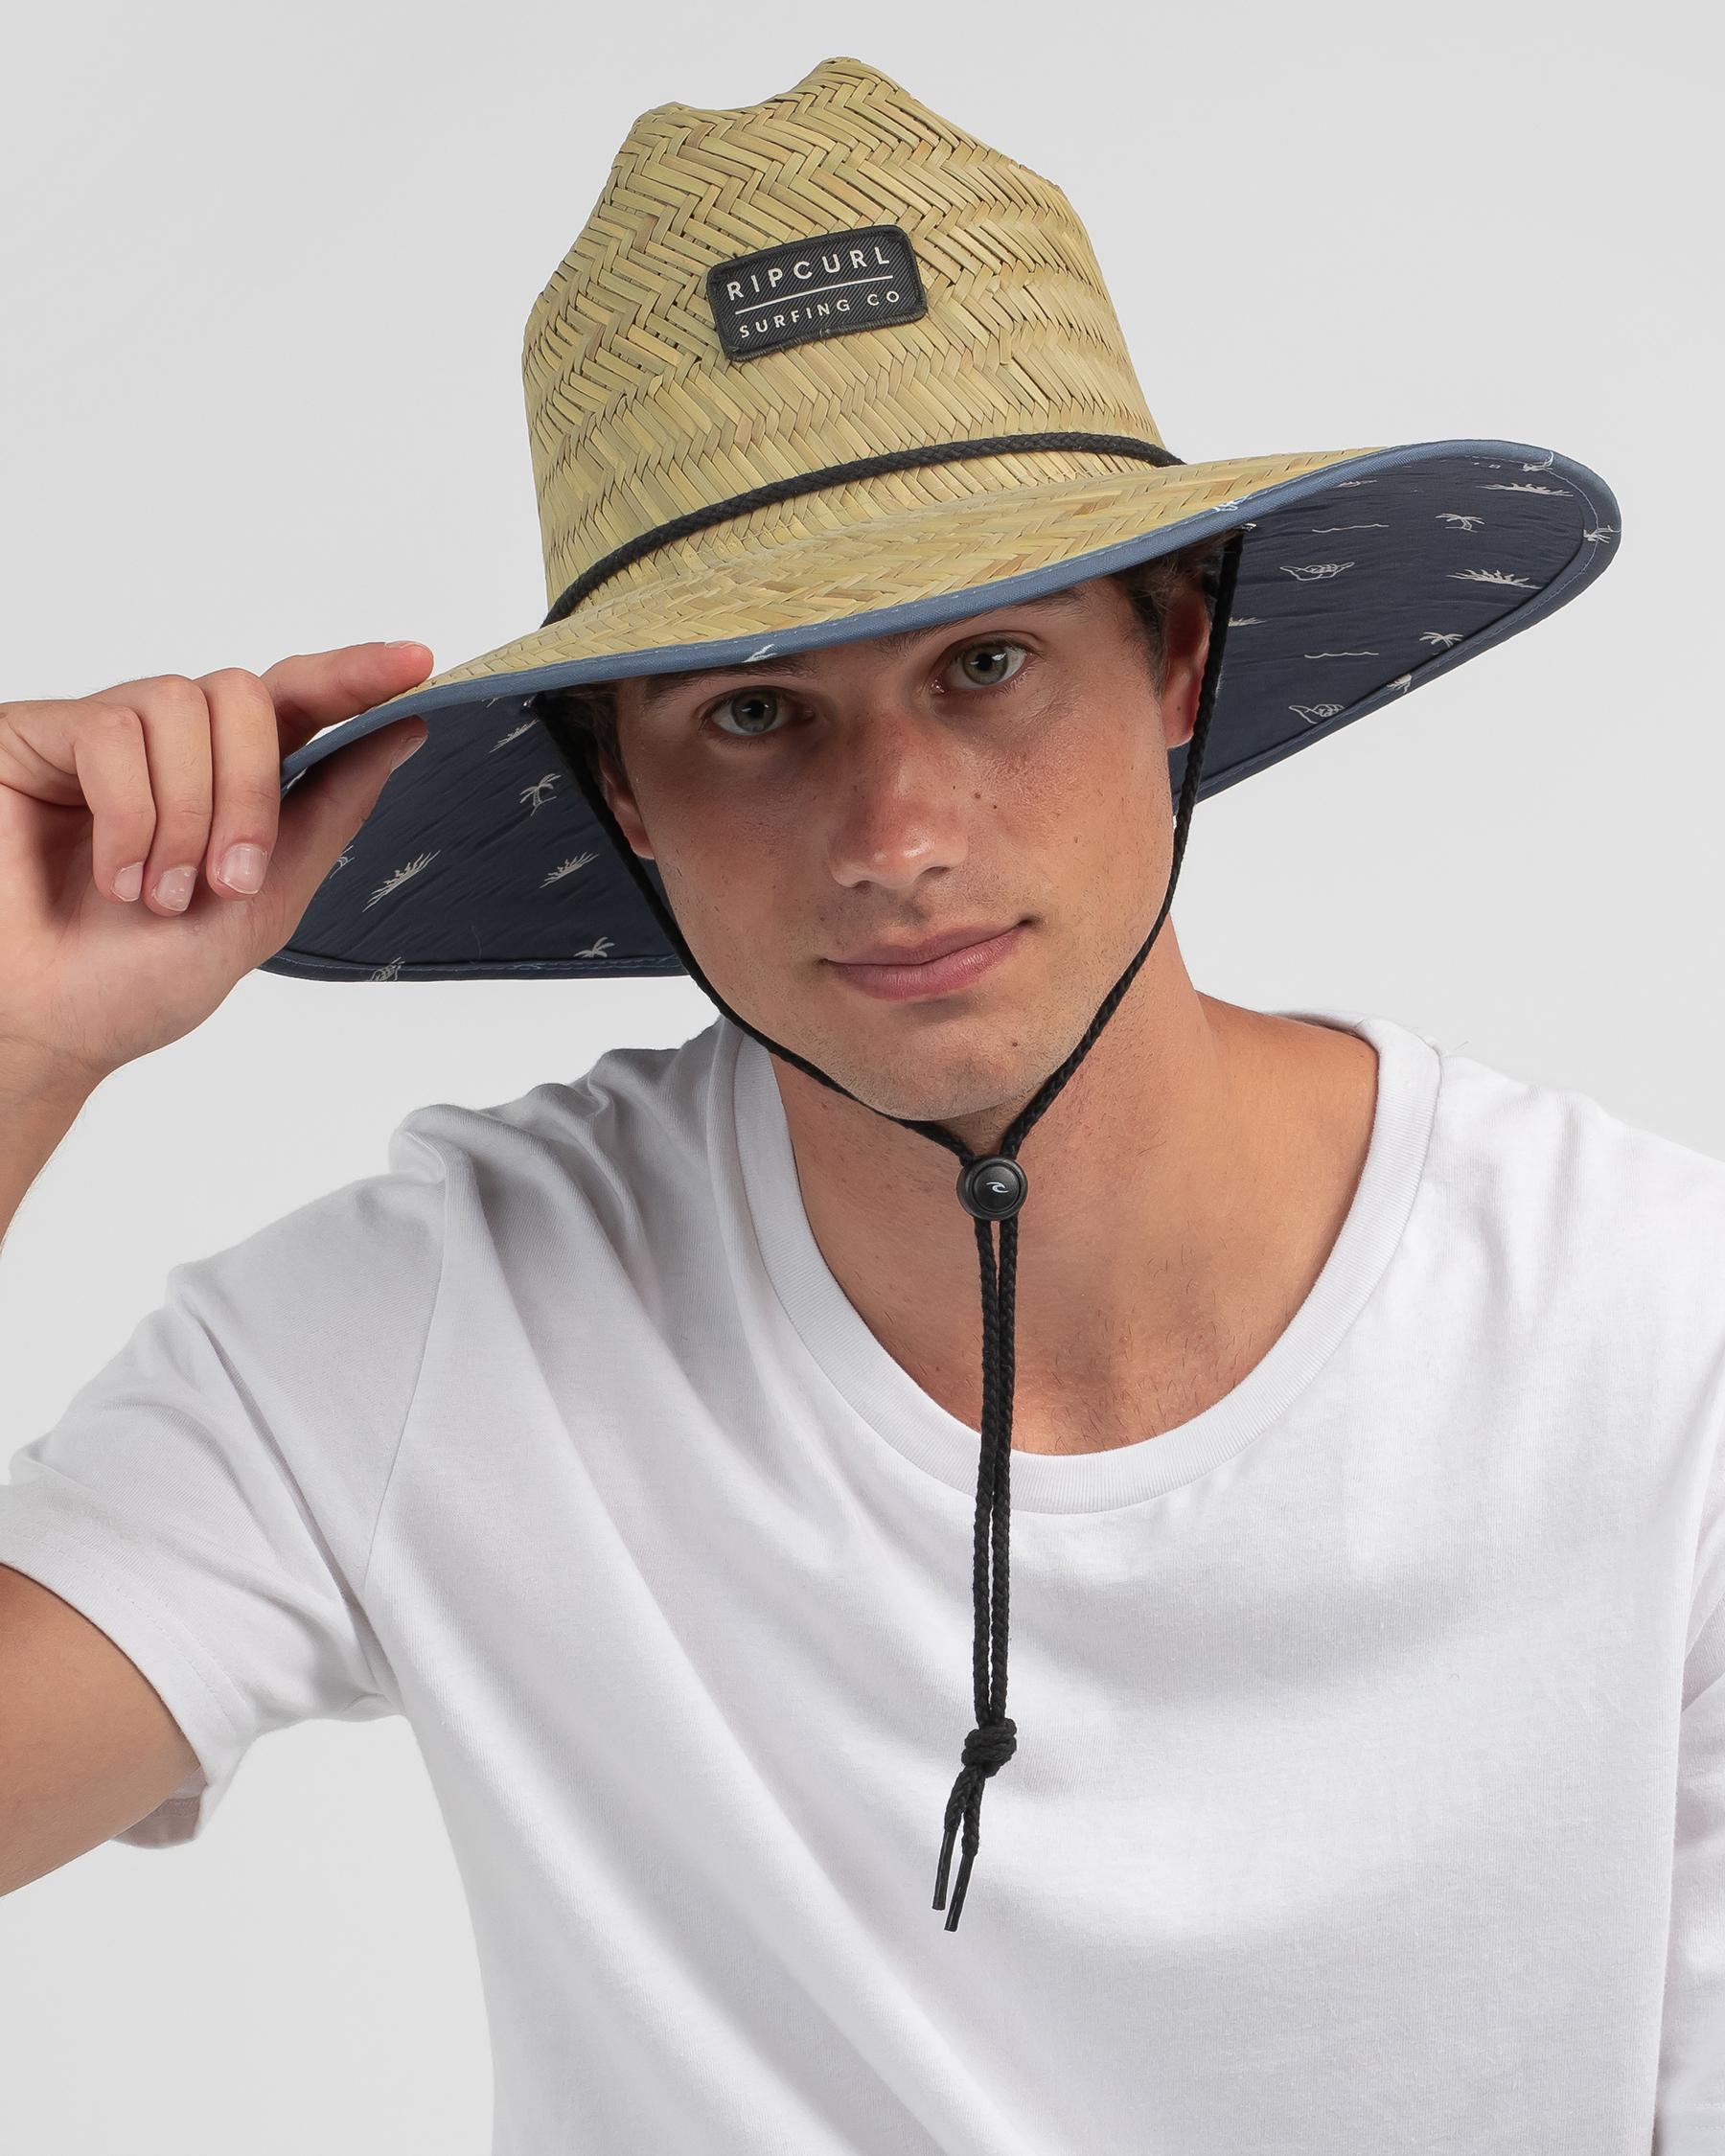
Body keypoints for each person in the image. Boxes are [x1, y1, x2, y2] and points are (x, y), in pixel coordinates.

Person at [2, 51, 1721, 2153]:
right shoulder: (456, 1318)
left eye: (985, 665)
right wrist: (20, 1041)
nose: (896, 836)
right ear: (622, 790)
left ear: (1177, 660)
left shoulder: (1656, 1342)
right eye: (756, 712)